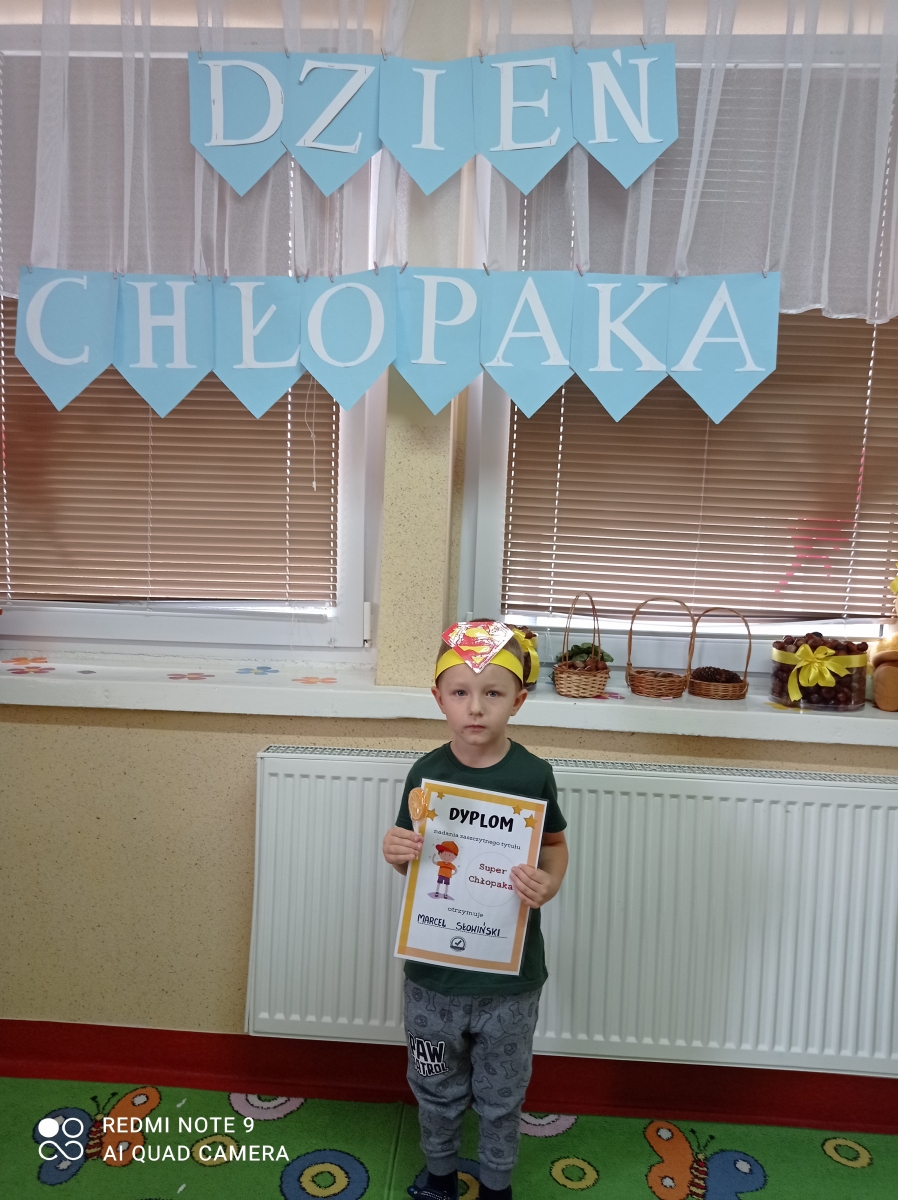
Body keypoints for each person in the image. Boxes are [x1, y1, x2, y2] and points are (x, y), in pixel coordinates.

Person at [382, 621, 569, 1200]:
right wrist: (395, 850)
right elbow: (412, 859)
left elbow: (554, 847)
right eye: (460, 692)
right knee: (433, 1084)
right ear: (439, 698)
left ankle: (495, 1186)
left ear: (519, 700)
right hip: (432, 982)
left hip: (508, 985)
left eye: (493, 693)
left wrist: (549, 882)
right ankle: (440, 1175)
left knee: (501, 1093)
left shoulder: (532, 775)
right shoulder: (426, 774)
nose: (476, 707)